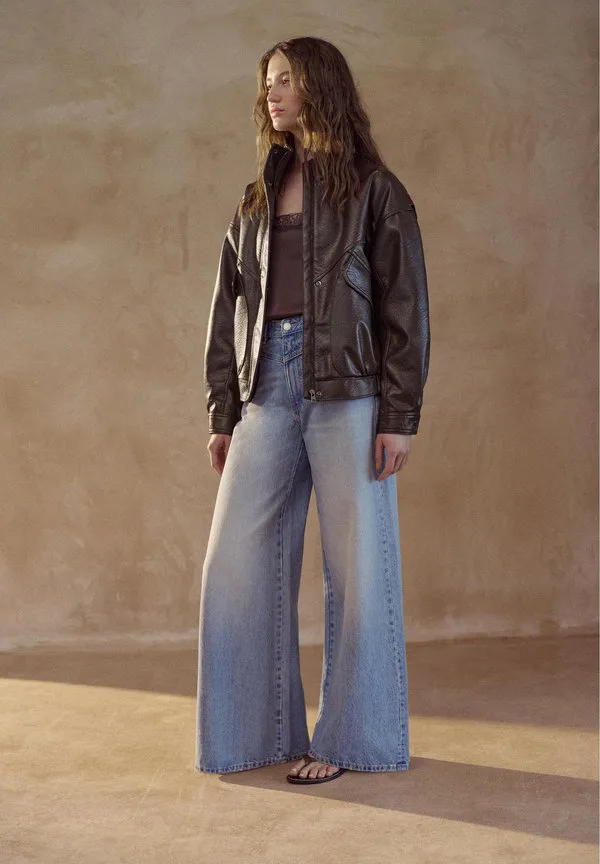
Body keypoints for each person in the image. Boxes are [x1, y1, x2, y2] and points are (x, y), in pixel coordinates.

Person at [195, 36, 430, 785]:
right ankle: (254, 735)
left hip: (352, 389)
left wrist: (398, 415)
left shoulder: (374, 189)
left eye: (286, 80)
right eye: (268, 82)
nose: (272, 93)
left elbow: (405, 306)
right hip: (266, 382)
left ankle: (353, 740)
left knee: (358, 569)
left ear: (319, 86)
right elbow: (228, 309)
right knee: (234, 564)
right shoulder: (256, 198)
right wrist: (223, 412)